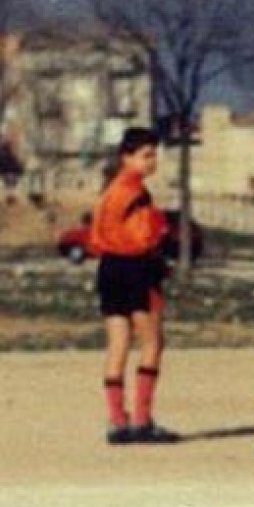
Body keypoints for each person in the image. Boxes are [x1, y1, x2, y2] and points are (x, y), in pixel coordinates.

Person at [90, 127, 179, 445]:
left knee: (118, 345)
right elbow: (144, 237)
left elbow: (96, 235)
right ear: (125, 157)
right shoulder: (136, 193)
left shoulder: (109, 191)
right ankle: (142, 420)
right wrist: (161, 236)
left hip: (109, 268)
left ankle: (117, 422)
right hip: (137, 269)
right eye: (146, 155)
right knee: (152, 343)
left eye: (154, 155)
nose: (152, 162)